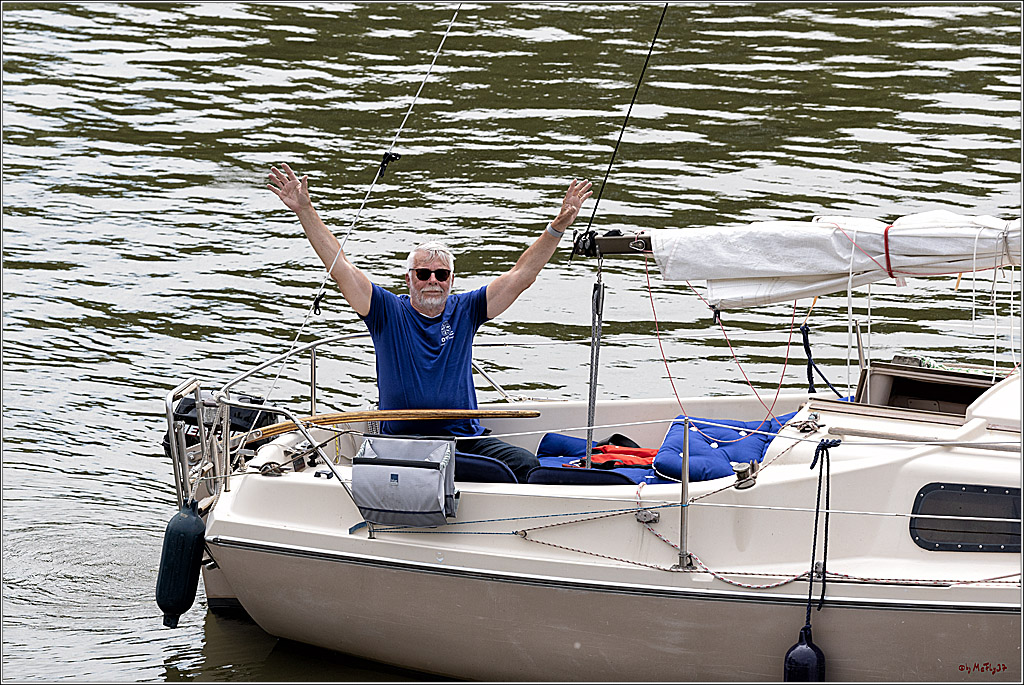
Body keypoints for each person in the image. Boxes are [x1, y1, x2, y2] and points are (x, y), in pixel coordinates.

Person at [267, 162, 592, 481]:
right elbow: (341, 267)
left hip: (463, 439)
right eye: (423, 274)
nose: (432, 280)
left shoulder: (467, 309)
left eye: (441, 274)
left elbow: (522, 274)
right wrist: (305, 210)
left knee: (524, 464)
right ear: (409, 279)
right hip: (402, 445)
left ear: (451, 280)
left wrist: (559, 226)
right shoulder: (384, 310)